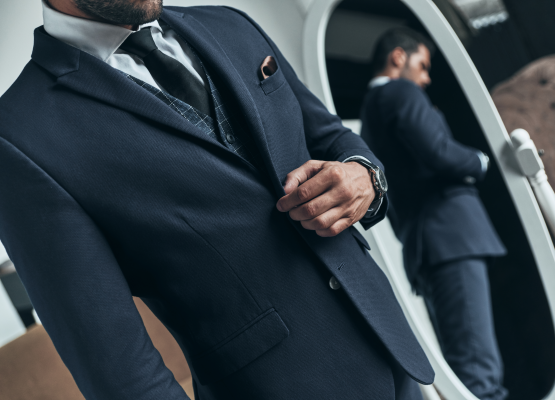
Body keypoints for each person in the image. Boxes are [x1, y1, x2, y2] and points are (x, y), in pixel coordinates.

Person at [0, 1, 435, 399]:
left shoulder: (229, 25)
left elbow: (331, 138)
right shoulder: (20, 134)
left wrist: (366, 176)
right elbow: (119, 372)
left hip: (392, 347)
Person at [360, 27, 508, 400]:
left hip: (424, 244)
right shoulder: (399, 91)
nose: (425, 78)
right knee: (479, 373)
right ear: (398, 57)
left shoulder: (369, 115)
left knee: (467, 364)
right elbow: (438, 150)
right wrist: (480, 160)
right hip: (450, 237)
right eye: (423, 66)